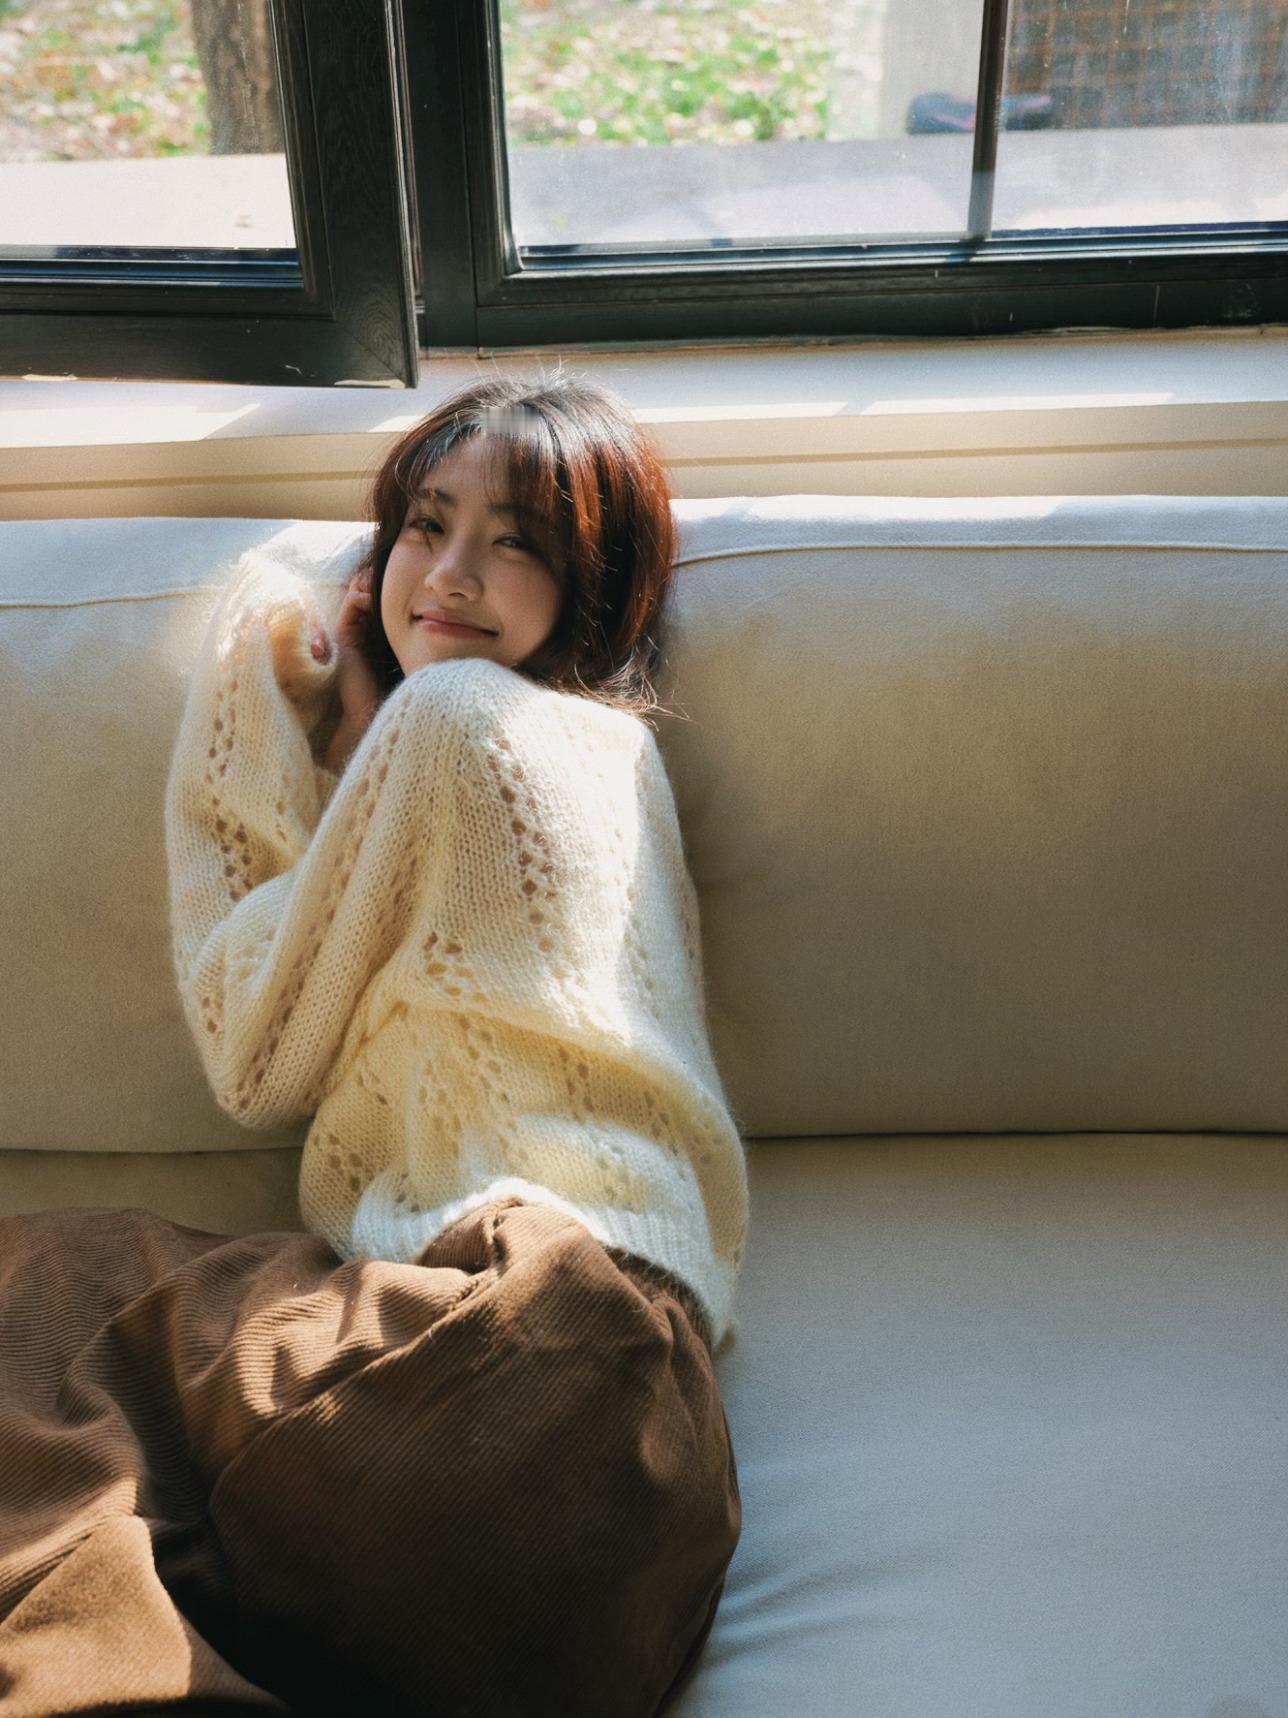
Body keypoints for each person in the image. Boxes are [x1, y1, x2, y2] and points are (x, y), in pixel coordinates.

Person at [0, 374, 747, 1717]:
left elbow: (253, 1053)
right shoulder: (621, 756)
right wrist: (365, 758)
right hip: (651, 1475)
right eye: (426, 523)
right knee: (134, 1504)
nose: (451, 572)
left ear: (591, 585)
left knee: (42, 1291)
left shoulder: (441, 719)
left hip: (512, 1352)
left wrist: (256, 689)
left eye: (516, 541)